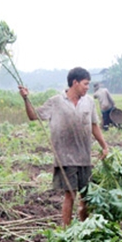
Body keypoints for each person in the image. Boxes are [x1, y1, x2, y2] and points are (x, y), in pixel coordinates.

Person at [19, 67, 109, 226]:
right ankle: (66, 230)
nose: (87, 87)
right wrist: (26, 99)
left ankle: (84, 227)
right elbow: (33, 116)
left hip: (85, 156)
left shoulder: (89, 102)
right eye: (85, 84)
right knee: (70, 194)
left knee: (86, 195)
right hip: (65, 157)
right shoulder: (55, 102)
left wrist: (104, 146)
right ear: (75, 83)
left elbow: (94, 125)